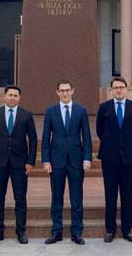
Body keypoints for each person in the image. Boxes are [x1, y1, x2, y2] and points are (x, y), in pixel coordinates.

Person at [41, 79, 93, 245]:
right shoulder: (50, 111)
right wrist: (46, 160)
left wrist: (87, 158)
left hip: (76, 161)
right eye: (62, 90)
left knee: (76, 198)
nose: (65, 93)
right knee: (57, 199)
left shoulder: (81, 110)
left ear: (72, 91)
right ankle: (56, 232)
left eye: (67, 90)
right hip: (56, 161)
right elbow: (45, 138)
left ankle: (76, 232)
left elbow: (86, 136)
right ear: (57, 92)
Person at [0, 86, 38, 244]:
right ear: (4, 96)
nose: (13, 97)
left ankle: (21, 231)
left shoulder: (26, 115)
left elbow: (33, 140)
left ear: (19, 98)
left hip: (20, 164)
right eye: (10, 95)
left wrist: (30, 162)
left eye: (16, 95)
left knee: (20, 198)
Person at [95, 76, 132, 243]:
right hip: (109, 158)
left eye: (121, 87)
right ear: (111, 90)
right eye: (115, 87)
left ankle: (127, 230)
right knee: (110, 195)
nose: (118, 90)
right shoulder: (104, 108)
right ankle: (110, 230)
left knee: (127, 195)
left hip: (130, 158)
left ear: (126, 89)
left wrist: (128, 144)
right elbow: (100, 130)